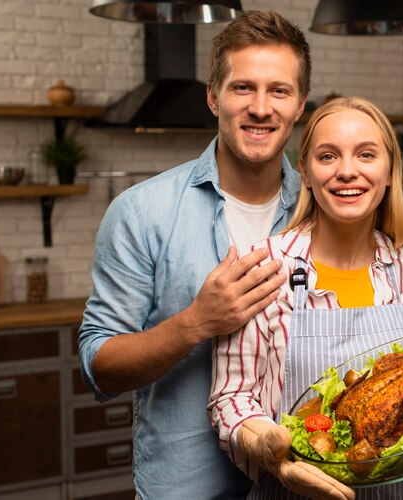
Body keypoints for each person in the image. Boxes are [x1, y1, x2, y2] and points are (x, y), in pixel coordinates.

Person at [79, 11, 311, 499]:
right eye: (243, 87)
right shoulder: (143, 212)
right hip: (187, 488)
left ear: (300, 104)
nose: (261, 107)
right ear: (213, 97)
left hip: (307, 485)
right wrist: (196, 323)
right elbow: (100, 366)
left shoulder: (323, 211)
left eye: (280, 91)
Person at [208, 96, 403, 499]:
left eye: (366, 154)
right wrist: (269, 450)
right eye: (328, 156)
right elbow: (232, 396)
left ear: (389, 171)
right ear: (305, 171)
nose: (347, 171)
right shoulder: (264, 268)